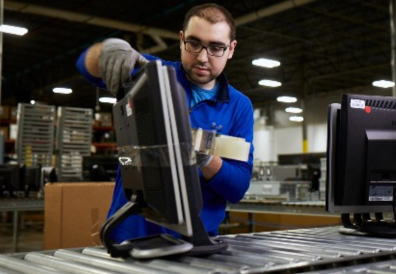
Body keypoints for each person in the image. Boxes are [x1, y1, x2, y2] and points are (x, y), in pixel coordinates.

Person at [76, 3, 254, 243]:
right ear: (181, 40)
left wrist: (200, 156)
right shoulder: (150, 74)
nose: (203, 57)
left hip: (194, 242)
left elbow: (237, 187)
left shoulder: (239, 106)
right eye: (194, 43)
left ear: (231, 49)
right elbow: (86, 68)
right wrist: (106, 50)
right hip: (131, 234)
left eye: (216, 47)